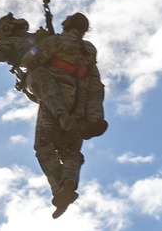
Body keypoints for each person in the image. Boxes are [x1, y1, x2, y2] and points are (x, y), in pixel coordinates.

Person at [22, 13, 107, 218]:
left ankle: (60, 186)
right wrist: (93, 114)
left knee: (44, 145)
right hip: (80, 101)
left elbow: (29, 59)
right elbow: (95, 79)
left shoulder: (55, 41)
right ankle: (66, 183)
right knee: (70, 149)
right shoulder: (89, 49)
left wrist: (35, 44)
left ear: (68, 24)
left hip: (55, 96)